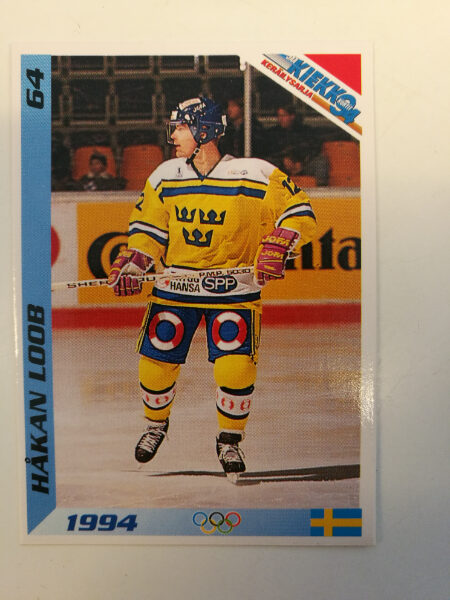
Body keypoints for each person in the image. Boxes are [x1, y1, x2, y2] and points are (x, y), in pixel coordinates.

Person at [107, 97, 317, 482]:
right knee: (155, 361)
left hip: (234, 290)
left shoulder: (254, 173)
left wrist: (280, 242)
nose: (173, 136)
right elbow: (148, 230)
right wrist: (135, 261)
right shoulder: (165, 175)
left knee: (235, 368)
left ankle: (229, 440)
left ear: (204, 131)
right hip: (176, 287)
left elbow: (300, 211)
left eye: (181, 127)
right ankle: (155, 425)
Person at [267, 105, 328, 185]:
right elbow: (269, 152)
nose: (280, 119)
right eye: (279, 116)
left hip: (303, 165)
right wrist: (282, 160)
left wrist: (302, 163)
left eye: (283, 116)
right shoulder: (272, 133)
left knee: (320, 161)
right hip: (281, 167)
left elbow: (313, 149)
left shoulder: (305, 131)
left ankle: (321, 189)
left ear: (292, 116)